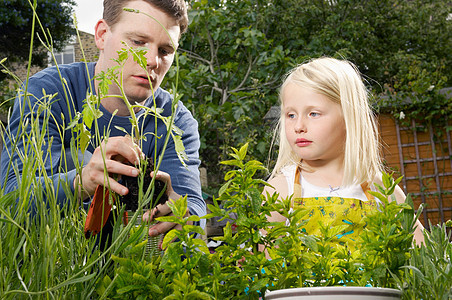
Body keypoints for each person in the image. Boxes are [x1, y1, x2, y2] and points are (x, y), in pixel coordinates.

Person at [0, 0, 206, 240]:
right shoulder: (48, 92)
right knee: (78, 159)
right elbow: (11, 203)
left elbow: (195, 211)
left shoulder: (175, 121)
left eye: (165, 51)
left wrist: (181, 213)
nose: (152, 60)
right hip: (50, 265)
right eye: (138, 42)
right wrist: (83, 181)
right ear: (102, 35)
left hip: (134, 263)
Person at [263, 57, 424, 248]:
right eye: (291, 115)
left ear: (349, 117)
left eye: (313, 113)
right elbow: (267, 268)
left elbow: (424, 255)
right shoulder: (280, 189)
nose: (298, 126)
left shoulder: (379, 187)